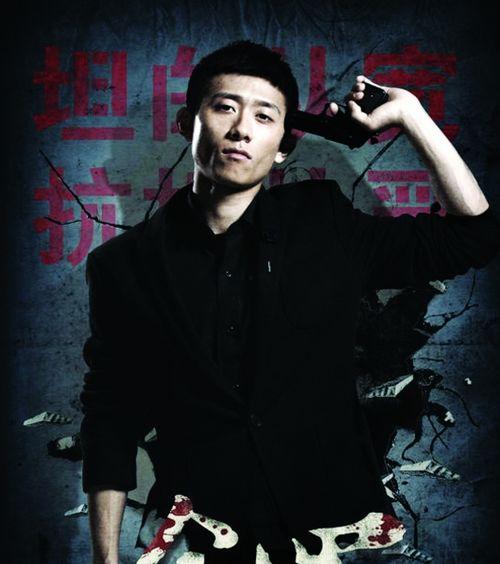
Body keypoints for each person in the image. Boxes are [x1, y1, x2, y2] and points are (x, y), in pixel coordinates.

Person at [80, 40, 500, 563]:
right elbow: (111, 416)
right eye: (225, 107)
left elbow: (472, 237)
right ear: (188, 123)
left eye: (264, 116)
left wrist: (411, 116)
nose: (241, 129)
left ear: (283, 146)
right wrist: (105, 558)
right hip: (204, 535)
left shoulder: (325, 224)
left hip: (336, 534)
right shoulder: (123, 266)